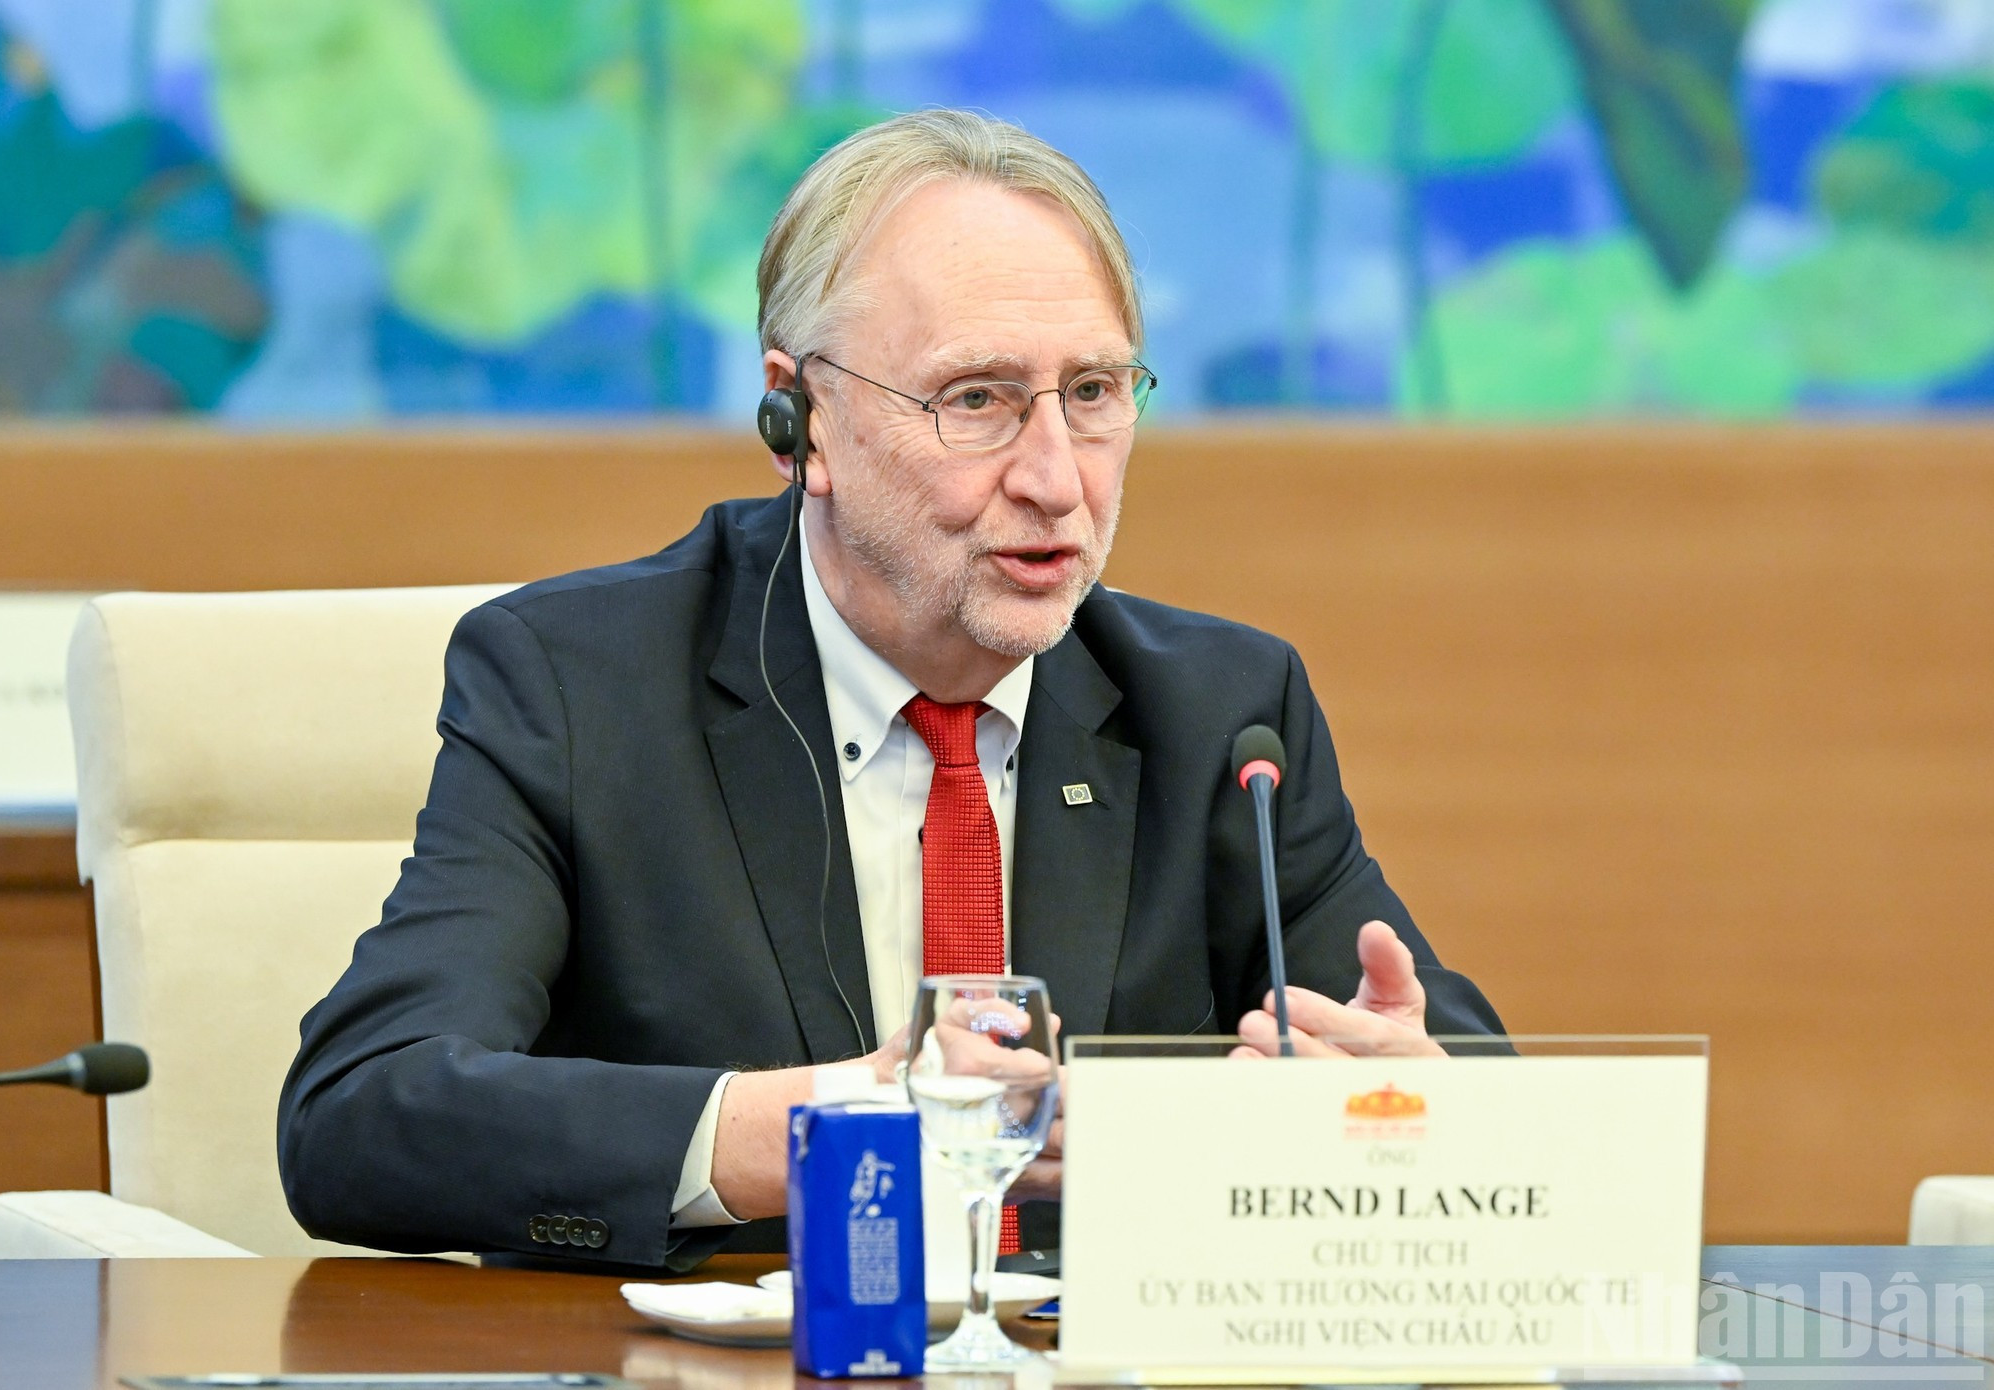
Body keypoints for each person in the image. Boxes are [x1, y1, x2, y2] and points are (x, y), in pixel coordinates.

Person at [277, 109, 1503, 1272]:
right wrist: (832, 1122)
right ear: (800, 420)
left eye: (1090, 394)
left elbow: (1480, 1102)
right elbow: (361, 1110)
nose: (1055, 480)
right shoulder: (579, 687)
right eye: (976, 399)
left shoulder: (1224, 716)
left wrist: (1411, 1109)